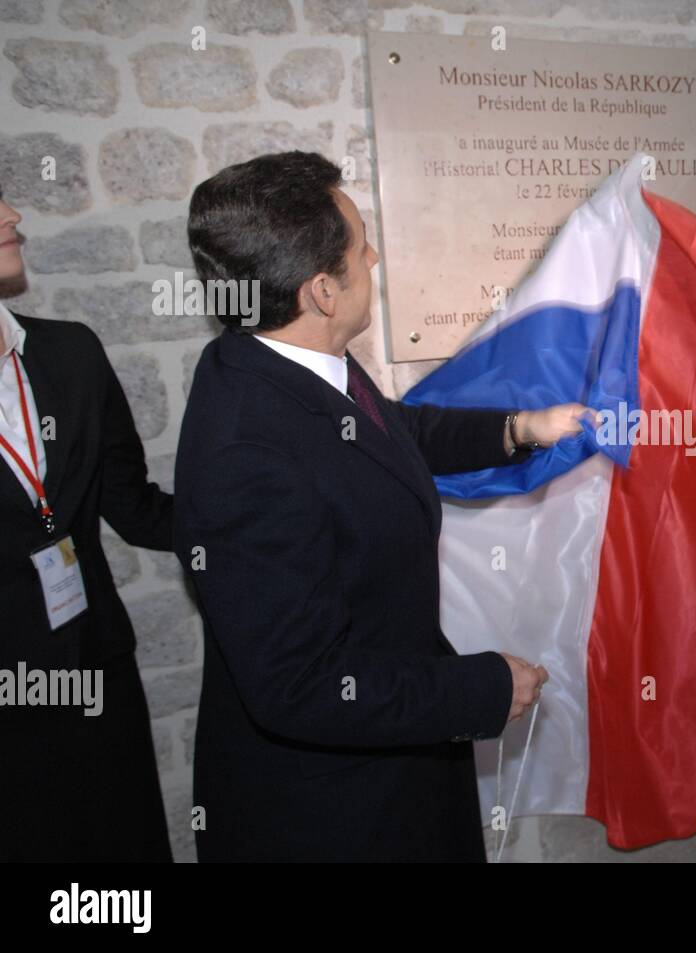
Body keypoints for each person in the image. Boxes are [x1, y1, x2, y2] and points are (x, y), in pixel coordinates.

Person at [175, 151, 582, 861]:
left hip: (389, 767)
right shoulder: (248, 451)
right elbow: (300, 683)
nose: (375, 254)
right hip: (334, 812)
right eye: (360, 244)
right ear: (322, 291)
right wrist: (477, 688)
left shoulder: (284, 359)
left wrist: (517, 428)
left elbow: (389, 432)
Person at [0, 189, 173, 861]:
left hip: (96, 680)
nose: (12, 215)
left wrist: (256, 519)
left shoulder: (70, 353)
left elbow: (133, 506)